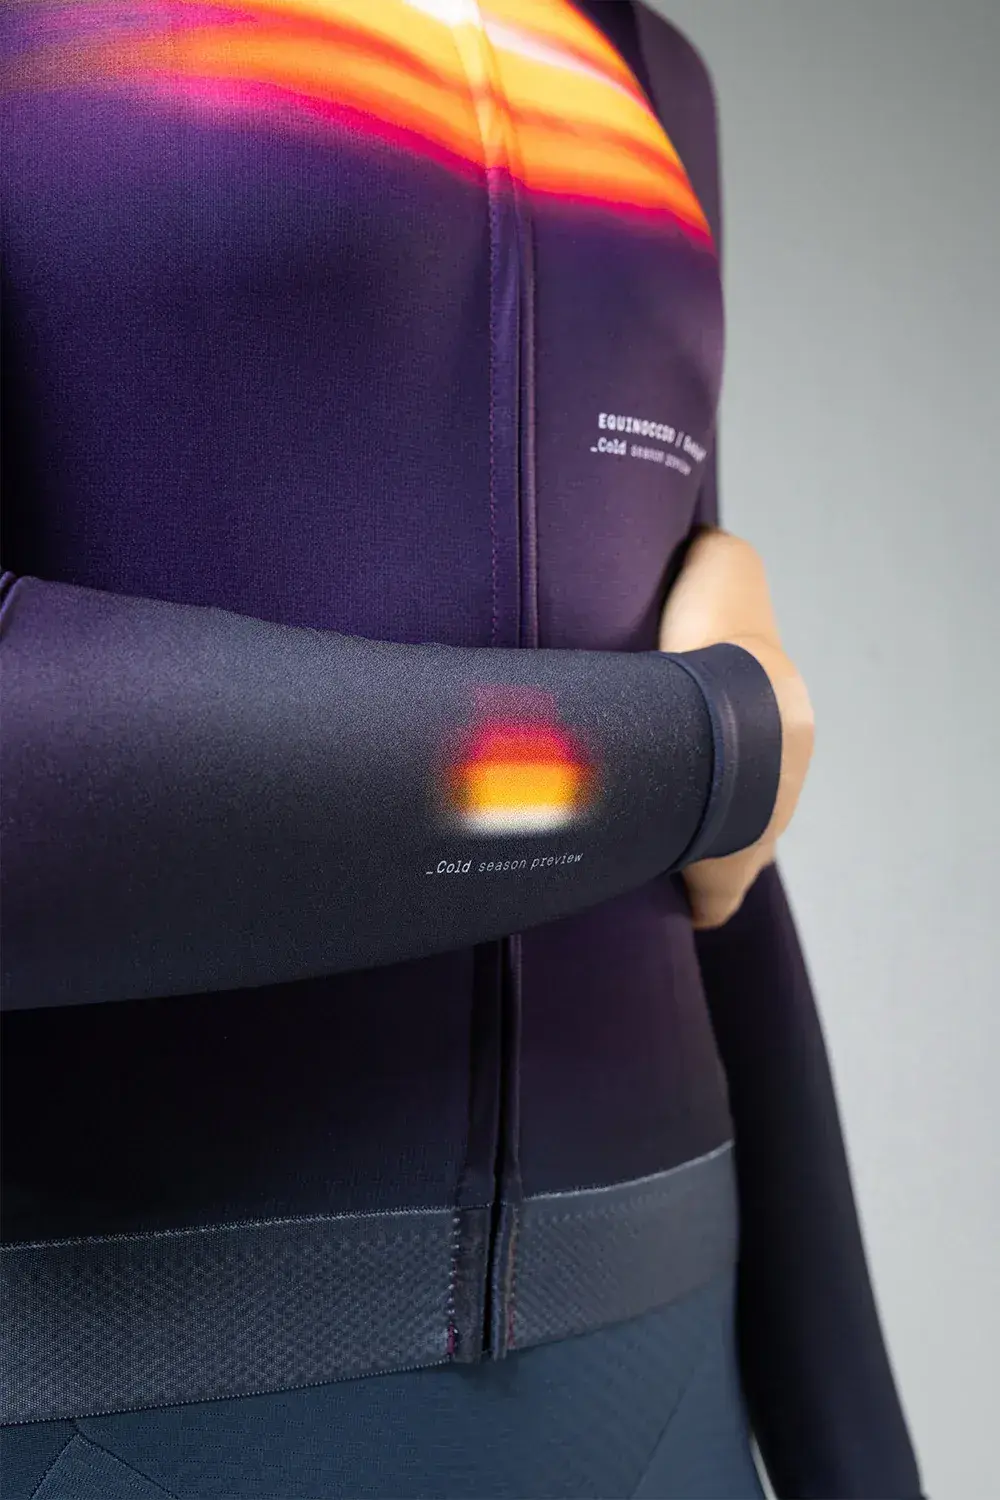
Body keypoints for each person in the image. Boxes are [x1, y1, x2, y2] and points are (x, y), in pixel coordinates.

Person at [0, 1, 922, 1495]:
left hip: (668, 1361)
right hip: (122, 1394)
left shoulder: (650, 69)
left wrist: (858, 1451)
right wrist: (709, 749)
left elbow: (725, 884)